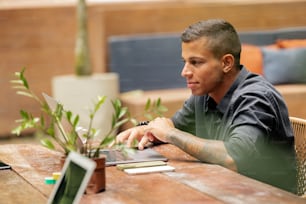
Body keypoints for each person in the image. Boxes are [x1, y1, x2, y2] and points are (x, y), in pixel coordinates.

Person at [117, 19, 297, 193]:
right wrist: (148, 130)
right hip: (222, 190)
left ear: (226, 63)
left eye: (196, 62)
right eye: (185, 62)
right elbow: (173, 126)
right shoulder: (204, 94)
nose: (185, 72)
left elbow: (233, 158)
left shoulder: (256, 98)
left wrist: (170, 134)